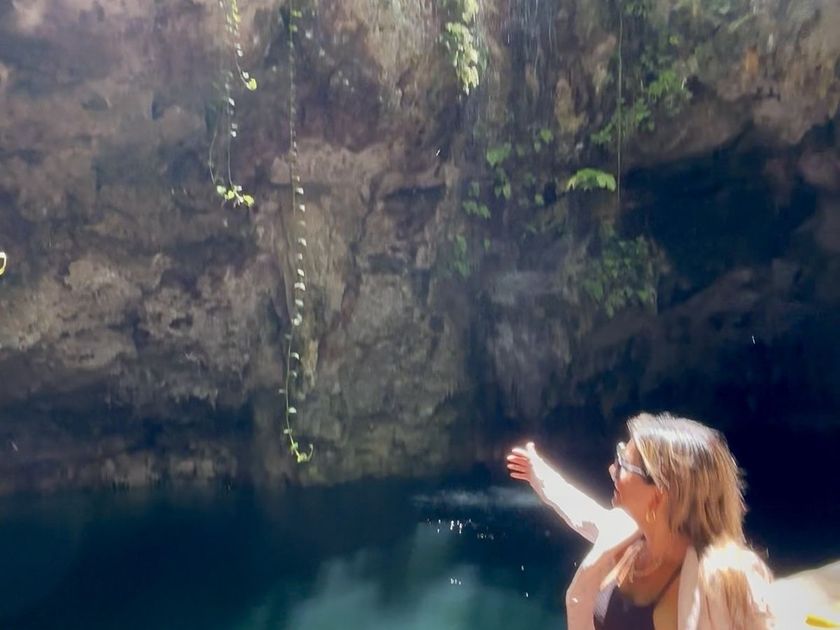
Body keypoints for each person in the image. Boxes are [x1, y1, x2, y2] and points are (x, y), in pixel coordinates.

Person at [507, 412, 777, 630]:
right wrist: (539, 473)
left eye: (623, 463)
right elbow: (582, 513)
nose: (612, 469)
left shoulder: (722, 580)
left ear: (658, 495)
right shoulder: (633, 537)